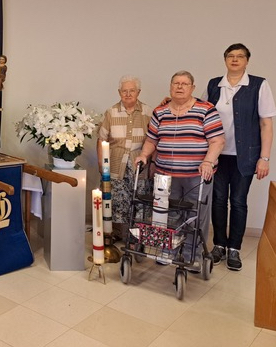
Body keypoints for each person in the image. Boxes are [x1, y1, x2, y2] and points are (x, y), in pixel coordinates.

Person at [135, 71, 225, 270]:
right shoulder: (160, 112)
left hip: (197, 176)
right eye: (176, 83)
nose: (180, 87)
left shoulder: (206, 109)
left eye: (185, 83)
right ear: (170, 87)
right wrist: (144, 155)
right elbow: (152, 140)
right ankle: (169, 249)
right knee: (168, 214)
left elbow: (217, 141)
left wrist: (209, 162)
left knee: (195, 215)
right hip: (165, 176)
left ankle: (192, 253)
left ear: (192, 88)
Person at [203, 43, 276, 271]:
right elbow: (200, 112)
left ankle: (234, 248)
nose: (235, 60)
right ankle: (218, 246)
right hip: (217, 156)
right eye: (231, 56)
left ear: (247, 61)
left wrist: (264, 158)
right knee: (217, 200)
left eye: (240, 56)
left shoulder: (258, 85)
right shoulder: (215, 85)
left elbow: (266, 124)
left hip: (244, 157)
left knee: (237, 201)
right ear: (225, 59)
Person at [96, 75, 153, 240]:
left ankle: (136, 237)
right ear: (119, 92)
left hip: (139, 163)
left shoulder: (148, 112)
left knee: (139, 199)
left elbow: (154, 139)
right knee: (116, 201)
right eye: (124, 91)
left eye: (132, 90)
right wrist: (101, 165)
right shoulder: (111, 112)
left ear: (139, 92)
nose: (128, 94)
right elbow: (101, 139)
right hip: (115, 163)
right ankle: (116, 234)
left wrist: (153, 164)